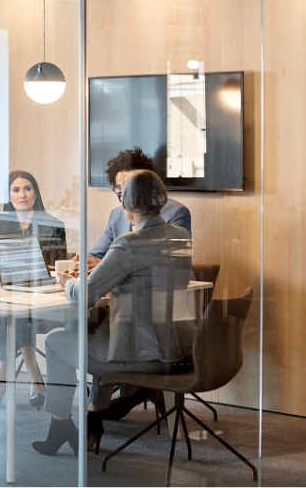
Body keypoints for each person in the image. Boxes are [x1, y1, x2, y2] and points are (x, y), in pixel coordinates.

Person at [32, 170, 194, 457]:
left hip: (139, 357)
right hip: (177, 350)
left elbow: (85, 294)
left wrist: (65, 281)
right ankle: (93, 421)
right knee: (98, 334)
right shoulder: (180, 236)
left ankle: (60, 424)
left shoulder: (127, 244)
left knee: (56, 343)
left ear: (127, 206)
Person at [74, 147, 192, 419]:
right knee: (101, 325)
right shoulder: (118, 218)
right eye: (119, 189)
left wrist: (85, 275)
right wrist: (95, 263)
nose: (123, 196)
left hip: (150, 330)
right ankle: (99, 410)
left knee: (71, 337)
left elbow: (157, 263)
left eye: (128, 187)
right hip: (149, 326)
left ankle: (91, 417)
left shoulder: (176, 216)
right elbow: (99, 254)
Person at [0, 170, 66, 406]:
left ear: (35, 193)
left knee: (15, 314)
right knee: (14, 312)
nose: (22, 194)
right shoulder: (2, 221)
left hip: (42, 300)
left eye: (27, 188)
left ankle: (2, 375)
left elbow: (55, 264)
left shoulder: (52, 224)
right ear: (9, 195)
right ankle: (35, 378)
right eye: (16, 189)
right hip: (10, 297)